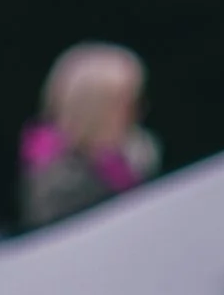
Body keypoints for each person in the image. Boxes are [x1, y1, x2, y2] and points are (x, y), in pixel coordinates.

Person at [19, 43, 160, 229]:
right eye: (126, 103)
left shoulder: (140, 148)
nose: (136, 112)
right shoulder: (49, 162)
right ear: (95, 108)